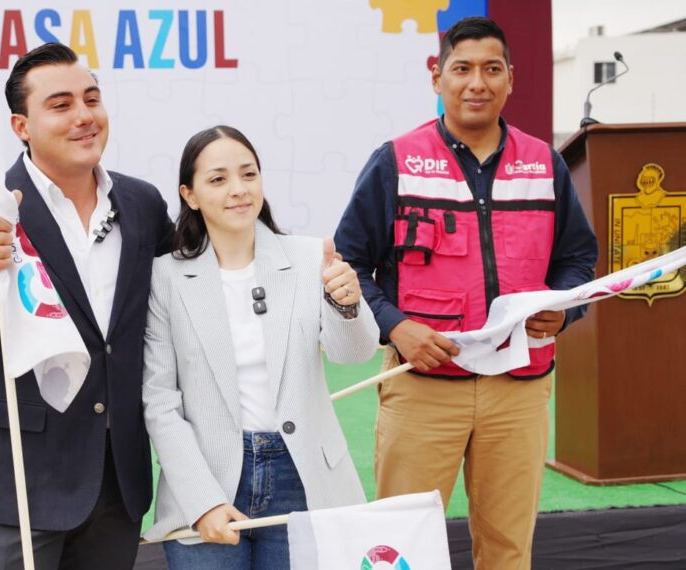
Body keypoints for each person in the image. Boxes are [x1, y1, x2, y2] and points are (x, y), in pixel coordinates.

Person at [334, 17, 598, 570]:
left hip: (519, 393)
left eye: (491, 69)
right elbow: (348, 263)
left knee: (507, 551)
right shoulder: (396, 161)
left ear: (509, 80)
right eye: (462, 69)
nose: (476, 82)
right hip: (423, 387)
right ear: (437, 78)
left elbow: (578, 261)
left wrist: (564, 308)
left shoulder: (544, 164)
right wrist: (396, 326)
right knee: (397, 549)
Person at [0, 43, 172, 569]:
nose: (84, 117)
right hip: (20, 471)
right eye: (60, 105)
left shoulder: (143, 203)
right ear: (21, 125)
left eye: (92, 99)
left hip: (117, 471)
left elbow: (184, 297)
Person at [141, 126, 379, 569]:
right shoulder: (164, 278)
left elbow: (355, 353)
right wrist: (202, 501)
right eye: (218, 179)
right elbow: (159, 402)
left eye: (248, 174)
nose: (238, 190)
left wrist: (346, 305)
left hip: (304, 476)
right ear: (189, 195)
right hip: (208, 480)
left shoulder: (310, 257)